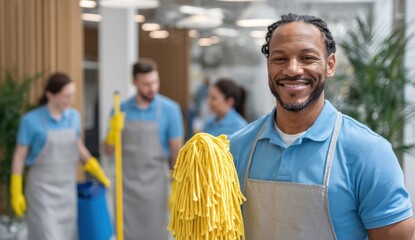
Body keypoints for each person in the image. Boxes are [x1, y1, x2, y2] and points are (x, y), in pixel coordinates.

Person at [229, 13, 414, 240]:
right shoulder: (237, 148)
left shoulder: (368, 152)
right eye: (280, 59)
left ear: (330, 65)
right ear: (268, 65)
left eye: (307, 58)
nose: (292, 69)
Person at [10, 73, 110, 240]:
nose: (70, 100)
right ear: (50, 95)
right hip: (42, 192)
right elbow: (19, 156)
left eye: (72, 95)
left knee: (67, 235)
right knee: (47, 234)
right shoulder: (31, 120)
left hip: (66, 191)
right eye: (66, 96)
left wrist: (96, 169)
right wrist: (15, 189)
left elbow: (78, 147)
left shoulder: (74, 117)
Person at [103, 58, 184, 240]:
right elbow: (107, 151)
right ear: (134, 83)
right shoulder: (120, 110)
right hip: (126, 189)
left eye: (155, 82)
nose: (152, 88)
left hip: (156, 188)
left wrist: (177, 185)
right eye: (146, 84)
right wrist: (111, 134)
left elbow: (176, 151)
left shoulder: (170, 110)